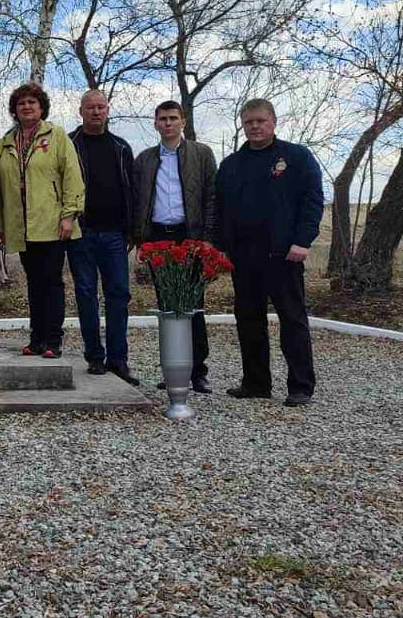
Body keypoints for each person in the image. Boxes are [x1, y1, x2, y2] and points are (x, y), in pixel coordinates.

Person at [215, 98, 323, 406]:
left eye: (261, 121)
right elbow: (221, 209)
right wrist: (220, 248)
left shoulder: (296, 158)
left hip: (284, 254)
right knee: (249, 320)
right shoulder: (231, 165)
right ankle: (256, 382)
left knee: (292, 319)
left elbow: (312, 201)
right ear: (242, 124)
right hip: (244, 257)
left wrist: (303, 240)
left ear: (273, 121)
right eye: (249, 122)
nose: (255, 127)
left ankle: (301, 385)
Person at [0, 82, 84, 358]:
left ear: (41, 107)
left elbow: (72, 178)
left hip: (52, 223)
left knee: (51, 282)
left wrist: (69, 215)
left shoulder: (57, 137)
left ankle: (53, 340)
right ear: (14, 110)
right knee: (33, 283)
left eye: (32, 102)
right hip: (21, 226)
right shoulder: (5, 143)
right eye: (21, 103)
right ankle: (36, 338)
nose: (27, 107)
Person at [133, 101, 218, 393]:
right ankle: (173, 366)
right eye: (162, 119)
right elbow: (138, 202)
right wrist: (140, 241)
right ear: (155, 123)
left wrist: (207, 237)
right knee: (168, 305)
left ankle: (198, 371)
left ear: (183, 121)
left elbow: (211, 197)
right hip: (158, 238)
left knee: (194, 304)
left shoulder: (201, 154)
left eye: (173, 118)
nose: (167, 123)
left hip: (189, 236)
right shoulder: (144, 160)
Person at [66, 89, 137, 384]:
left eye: (101, 107)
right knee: (86, 294)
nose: (96, 112)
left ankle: (118, 360)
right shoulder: (69, 144)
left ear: (108, 110)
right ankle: (94, 356)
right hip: (81, 233)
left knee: (118, 295)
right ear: (81, 110)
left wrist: (132, 229)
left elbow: (131, 188)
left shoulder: (121, 147)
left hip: (115, 235)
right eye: (91, 107)